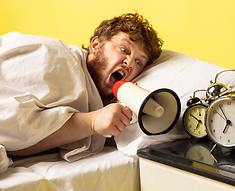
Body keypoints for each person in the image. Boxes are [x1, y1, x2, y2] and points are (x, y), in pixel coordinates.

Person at [0, 12, 163, 162]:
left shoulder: (95, 97)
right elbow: (9, 124)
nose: (129, 63)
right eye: (123, 49)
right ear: (95, 45)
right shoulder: (57, 59)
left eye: (139, 62)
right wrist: (90, 122)